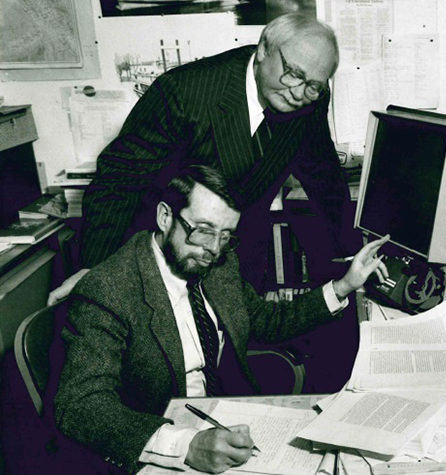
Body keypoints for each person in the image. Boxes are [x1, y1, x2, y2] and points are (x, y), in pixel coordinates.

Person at [54, 166, 389, 473]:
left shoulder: (218, 263)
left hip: (224, 418)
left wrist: (344, 285)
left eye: (226, 235)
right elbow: (82, 405)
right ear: (164, 216)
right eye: (203, 230)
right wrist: (184, 444)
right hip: (156, 445)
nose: (213, 249)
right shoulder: (109, 289)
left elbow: (264, 320)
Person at [49, 12, 352, 303]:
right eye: (294, 74)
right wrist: (96, 270)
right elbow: (117, 186)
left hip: (240, 259)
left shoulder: (313, 98)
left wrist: (351, 254)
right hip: (168, 258)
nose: (299, 92)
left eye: (313, 85)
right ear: (263, 50)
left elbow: (324, 178)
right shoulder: (183, 93)